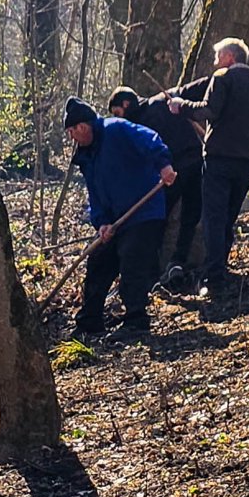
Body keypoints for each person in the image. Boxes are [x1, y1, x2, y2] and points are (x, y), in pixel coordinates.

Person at [64, 96, 176, 338]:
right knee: (98, 262)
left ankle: (136, 320)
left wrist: (163, 165)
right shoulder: (87, 155)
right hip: (116, 220)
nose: (72, 138)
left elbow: (150, 140)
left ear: (82, 127)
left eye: (72, 131)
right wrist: (102, 221)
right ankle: (90, 321)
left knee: (132, 261)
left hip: (143, 211)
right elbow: (95, 192)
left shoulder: (116, 129)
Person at [168, 37, 249, 296]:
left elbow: (209, 110)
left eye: (218, 57)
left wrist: (182, 106)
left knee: (214, 218)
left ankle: (215, 277)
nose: (215, 63)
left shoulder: (223, 78)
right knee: (229, 216)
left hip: (220, 159)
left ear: (230, 58)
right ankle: (220, 266)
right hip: (248, 162)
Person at [108, 87, 203, 286]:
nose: (120, 118)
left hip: (176, 168)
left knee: (161, 217)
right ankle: (174, 261)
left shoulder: (144, 120)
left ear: (126, 104)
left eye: (118, 113)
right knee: (189, 215)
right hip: (194, 162)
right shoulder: (161, 100)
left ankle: (158, 268)